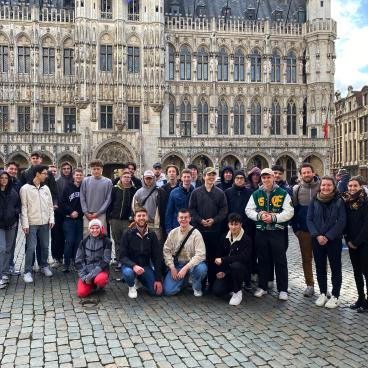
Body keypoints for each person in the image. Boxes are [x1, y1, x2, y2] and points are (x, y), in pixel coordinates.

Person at [245, 168, 294, 300]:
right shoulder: (256, 193)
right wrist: (259, 216)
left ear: (273, 177)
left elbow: (289, 211)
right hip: (261, 231)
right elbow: (248, 210)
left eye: (268, 177)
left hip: (277, 231)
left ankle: (283, 289)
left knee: (280, 261)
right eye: (264, 178)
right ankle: (263, 286)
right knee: (263, 260)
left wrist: (274, 218)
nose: (266, 180)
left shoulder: (283, 193)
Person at [307, 176, 346, 309]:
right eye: (323, 185)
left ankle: (335, 296)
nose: (325, 187)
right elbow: (309, 219)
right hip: (317, 239)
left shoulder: (339, 201)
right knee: (320, 267)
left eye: (329, 185)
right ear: (320, 186)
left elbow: (342, 221)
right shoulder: (314, 200)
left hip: (333, 240)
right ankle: (323, 292)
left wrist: (328, 236)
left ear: (334, 187)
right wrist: (317, 235)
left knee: (335, 267)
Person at [189, 167, 228, 290]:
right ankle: (200, 282)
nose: (211, 177)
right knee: (200, 257)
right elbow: (191, 209)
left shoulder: (220, 193)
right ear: (204, 176)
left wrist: (214, 220)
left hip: (214, 231)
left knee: (212, 257)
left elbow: (224, 210)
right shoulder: (196, 192)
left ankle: (211, 282)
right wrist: (200, 220)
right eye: (209, 175)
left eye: (213, 175)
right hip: (199, 231)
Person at [20, 165, 55, 283]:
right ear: (37, 174)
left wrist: (51, 219)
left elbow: (50, 205)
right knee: (30, 247)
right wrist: (25, 224)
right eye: (44, 173)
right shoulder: (25, 188)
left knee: (45, 246)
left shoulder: (46, 188)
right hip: (31, 223)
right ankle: (28, 271)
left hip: (45, 222)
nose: (46, 175)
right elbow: (24, 207)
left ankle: (44, 265)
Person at [120, 208, 163, 298]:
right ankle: (131, 286)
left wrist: (158, 279)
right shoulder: (127, 233)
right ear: (135, 218)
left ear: (147, 217)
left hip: (145, 267)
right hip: (130, 266)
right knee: (128, 273)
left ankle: (139, 280)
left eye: (143, 215)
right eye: (139, 216)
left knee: (156, 292)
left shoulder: (152, 234)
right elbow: (122, 256)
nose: (141, 218)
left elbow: (157, 257)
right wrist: (134, 266)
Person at [163, 208, 207, 296]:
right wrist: (172, 267)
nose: (183, 219)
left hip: (193, 265)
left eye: (186, 217)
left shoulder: (196, 234)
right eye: (181, 217)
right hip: (177, 265)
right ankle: (185, 281)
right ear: (178, 219)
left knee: (201, 269)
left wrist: (185, 268)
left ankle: (196, 286)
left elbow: (201, 255)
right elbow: (166, 251)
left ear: (190, 219)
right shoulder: (173, 233)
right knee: (168, 291)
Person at [291, 163, 320, 297]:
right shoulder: (296, 189)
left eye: (309, 172)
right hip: (304, 231)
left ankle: (323, 285)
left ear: (313, 173)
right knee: (306, 258)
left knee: (321, 259)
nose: (307, 174)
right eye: (304, 173)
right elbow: (294, 210)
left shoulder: (321, 187)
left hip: (321, 230)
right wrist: (296, 229)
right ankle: (310, 285)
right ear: (301, 175)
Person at [213, 213, 252, 305]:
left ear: (241, 225)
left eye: (236, 224)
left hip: (242, 271)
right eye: (231, 224)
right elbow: (218, 255)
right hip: (228, 272)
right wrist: (221, 271)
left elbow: (243, 258)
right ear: (228, 225)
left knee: (236, 265)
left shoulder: (247, 239)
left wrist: (223, 259)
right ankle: (231, 287)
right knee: (217, 291)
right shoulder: (223, 237)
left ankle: (237, 292)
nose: (233, 227)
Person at [342, 176, 368, 313]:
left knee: (366, 272)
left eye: (355, 186)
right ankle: (360, 298)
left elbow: (366, 225)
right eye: (350, 186)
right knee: (357, 272)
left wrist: (357, 242)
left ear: (360, 187)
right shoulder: (347, 201)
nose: (352, 188)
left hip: (364, 242)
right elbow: (345, 222)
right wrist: (348, 240)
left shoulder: (365, 201)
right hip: (351, 242)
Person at [224, 170, 253, 287]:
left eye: (241, 178)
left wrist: (245, 224)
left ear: (244, 180)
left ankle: (247, 279)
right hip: (232, 228)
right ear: (234, 179)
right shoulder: (227, 192)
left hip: (246, 228)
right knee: (231, 253)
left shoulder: (250, 193)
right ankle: (231, 278)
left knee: (247, 254)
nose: (239, 180)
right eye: (237, 178)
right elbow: (226, 210)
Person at [75, 219, 112, 298]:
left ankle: (99, 285)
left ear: (101, 228)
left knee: (100, 280)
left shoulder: (107, 241)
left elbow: (105, 261)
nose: (95, 230)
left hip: (101, 270)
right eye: (92, 228)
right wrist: (84, 277)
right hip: (87, 271)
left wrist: (90, 276)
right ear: (89, 229)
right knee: (81, 293)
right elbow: (78, 261)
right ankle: (92, 285)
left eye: (97, 228)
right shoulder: (83, 242)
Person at [107, 169, 136, 264]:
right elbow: (110, 203)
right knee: (117, 241)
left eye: (128, 177)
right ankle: (119, 261)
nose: (127, 179)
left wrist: (132, 218)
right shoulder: (115, 188)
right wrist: (109, 218)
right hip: (115, 219)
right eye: (125, 177)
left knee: (127, 241)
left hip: (127, 220)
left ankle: (127, 261)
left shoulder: (133, 190)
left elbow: (134, 205)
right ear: (121, 178)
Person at [60, 168, 84, 272]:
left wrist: (79, 212)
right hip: (69, 219)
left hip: (80, 219)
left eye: (80, 175)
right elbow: (62, 203)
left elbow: (85, 202)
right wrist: (71, 212)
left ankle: (76, 262)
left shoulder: (84, 187)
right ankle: (66, 264)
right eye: (77, 175)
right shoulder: (67, 187)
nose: (78, 177)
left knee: (78, 242)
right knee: (69, 241)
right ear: (73, 176)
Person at [80, 159, 112, 237]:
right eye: (94, 169)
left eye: (98, 169)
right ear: (91, 169)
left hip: (101, 215)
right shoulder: (85, 181)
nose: (96, 171)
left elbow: (108, 199)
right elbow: (82, 197)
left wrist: (98, 213)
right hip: (87, 214)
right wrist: (86, 212)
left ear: (102, 169)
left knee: (102, 234)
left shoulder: (108, 182)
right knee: (86, 235)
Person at [0, 171, 20, 289]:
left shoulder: (12, 192)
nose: (4, 180)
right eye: (1, 178)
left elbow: (18, 205)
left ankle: (5, 273)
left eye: (5, 178)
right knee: (2, 248)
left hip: (11, 224)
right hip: (0, 225)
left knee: (8, 249)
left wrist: (15, 213)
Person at [52, 161, 73, 268]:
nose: (66, 170)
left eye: (68, 168)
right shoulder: (57, 181)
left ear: (71, 169)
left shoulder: (75, 181)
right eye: (64, 168)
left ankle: (72, 258)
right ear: (61, 169)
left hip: (72, 213)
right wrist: (55, 204)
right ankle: (58, 258)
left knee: (72, 238)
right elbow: (54, 195)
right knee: (58, 237)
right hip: (59, 213)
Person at [132, 170, 162, 243]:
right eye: (147, 178)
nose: (148, 180)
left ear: (153, 179)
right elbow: (134, 207)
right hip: (142, 224)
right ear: (143, 179)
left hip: (155, 224)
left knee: (156, 244)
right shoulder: (139, 192)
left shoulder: (159, 191)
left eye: (150, 178)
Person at [165, 169, 194, 234]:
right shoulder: (174, 192)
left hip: (191, 226)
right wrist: (168, 229)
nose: (186, 179)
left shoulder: (195, 192)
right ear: (181, 178)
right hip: (177, 226)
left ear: (191, 178)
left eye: (188, 177)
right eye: (184, 177)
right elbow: (169, 212)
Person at [5, 162, 21, 275]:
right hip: (1, 220)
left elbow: (20, 201)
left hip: (13, 220)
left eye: (15, 169)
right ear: (6, 168)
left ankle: (9, 265)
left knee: (11, 244)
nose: (13, 171)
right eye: (11, 169)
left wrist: (16, 211)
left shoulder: (17, 184)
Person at [158, 165, 180, 240]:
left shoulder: (181, 187)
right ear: (167, 174)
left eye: (173, 171)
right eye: (169, 172)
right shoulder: (162, 189)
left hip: (179, 219)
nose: (171, 173)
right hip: (166, 220)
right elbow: (161, 206)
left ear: (177, 174)